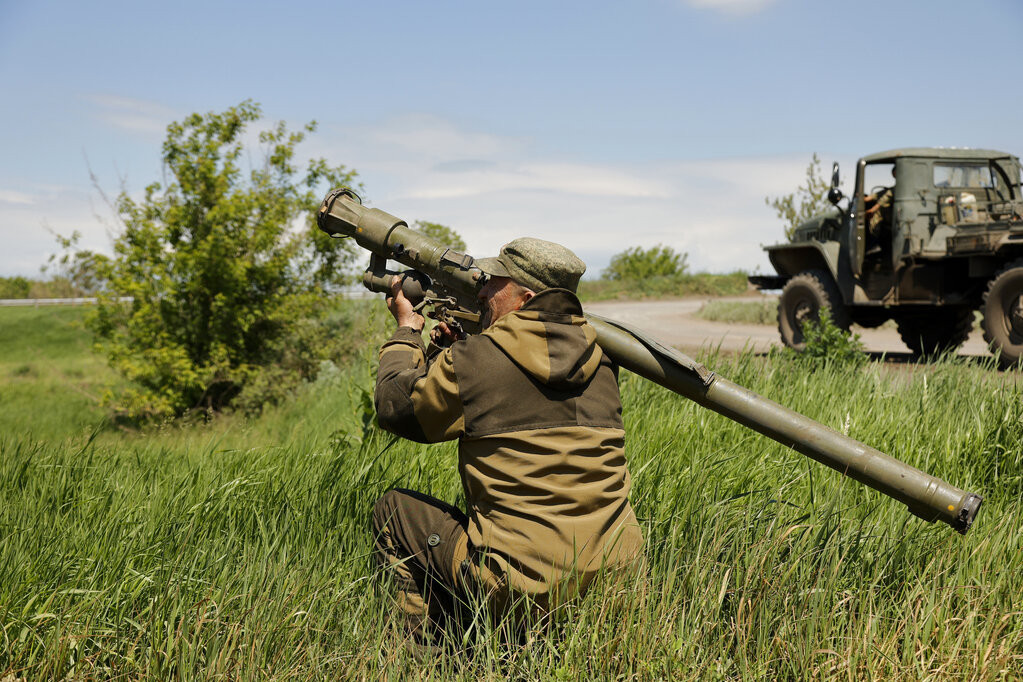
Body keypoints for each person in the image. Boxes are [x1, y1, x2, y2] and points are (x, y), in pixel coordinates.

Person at [370, 237, 644, 646]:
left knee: (393, 511)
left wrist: (407, 332)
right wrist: (447, 353)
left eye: (493, 283)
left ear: (525, 298)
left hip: (522, 591)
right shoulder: (602, 360)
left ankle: (431, 655)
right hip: (614, 580)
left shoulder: (474, 362)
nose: (480, 290)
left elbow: (394, 406)